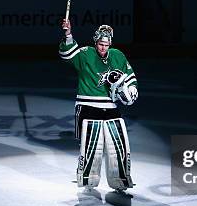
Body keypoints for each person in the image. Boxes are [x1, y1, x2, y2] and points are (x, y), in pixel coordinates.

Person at [59, 18, 138, 194]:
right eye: (101, 44)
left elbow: (131, 78)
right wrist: (68, 34)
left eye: (106, 44)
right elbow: (67, 54)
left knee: (118, 143)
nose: (103, 47)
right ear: (96, 42)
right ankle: (88, 179)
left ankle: (120, 179)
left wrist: (131, 91)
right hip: (88, 105)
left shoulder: (118, 55)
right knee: (92, 146)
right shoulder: (86, 53)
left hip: (110, 107)